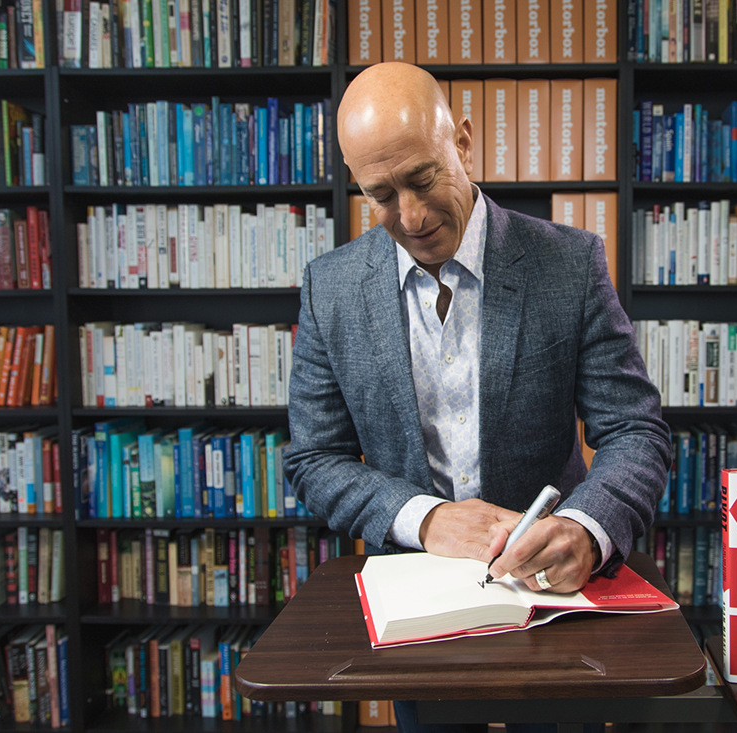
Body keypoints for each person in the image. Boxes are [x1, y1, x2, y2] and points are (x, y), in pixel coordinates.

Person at [283, 62, 671, 733]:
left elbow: (636, 431)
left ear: (462, 142)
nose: (409, 216)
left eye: (423, 178)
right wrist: (426, 518)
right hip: (420, 605)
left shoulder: (570, 264)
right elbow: (315, 459)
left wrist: (585, 528)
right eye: (380, 195)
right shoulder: (330, 288)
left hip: (553, 599)